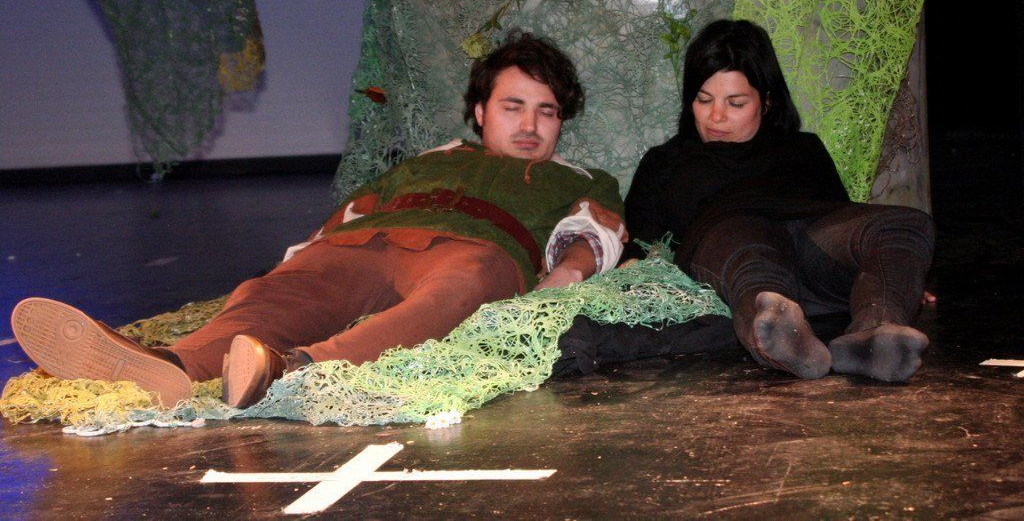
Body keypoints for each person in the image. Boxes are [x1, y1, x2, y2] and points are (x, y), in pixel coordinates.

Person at [12, 32, 626, 408]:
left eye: (546, 112)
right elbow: (352, 212)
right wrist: (300, 261)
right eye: (513, 106)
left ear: (561, 121)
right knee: (272, 295)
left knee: (459, 292)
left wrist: (564, 276)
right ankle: (171, 365)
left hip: (474, 251)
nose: (529, 125)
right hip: (367, 241)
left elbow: (597, 233)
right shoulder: (431, 160)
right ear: (480, 111)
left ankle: (293, 369)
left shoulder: (578, 177)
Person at [622, 19, 934, 382]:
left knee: (906, 223)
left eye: (735, 103)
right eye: (703, 99)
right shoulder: (665, 163)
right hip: (733, 248)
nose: (716, 116)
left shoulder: (803, 148)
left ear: (767, 101)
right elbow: (642, 250)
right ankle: (782, 331)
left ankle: (876, 332)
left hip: (809, 245)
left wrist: (894, 274)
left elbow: (844, 227)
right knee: (747, 245)